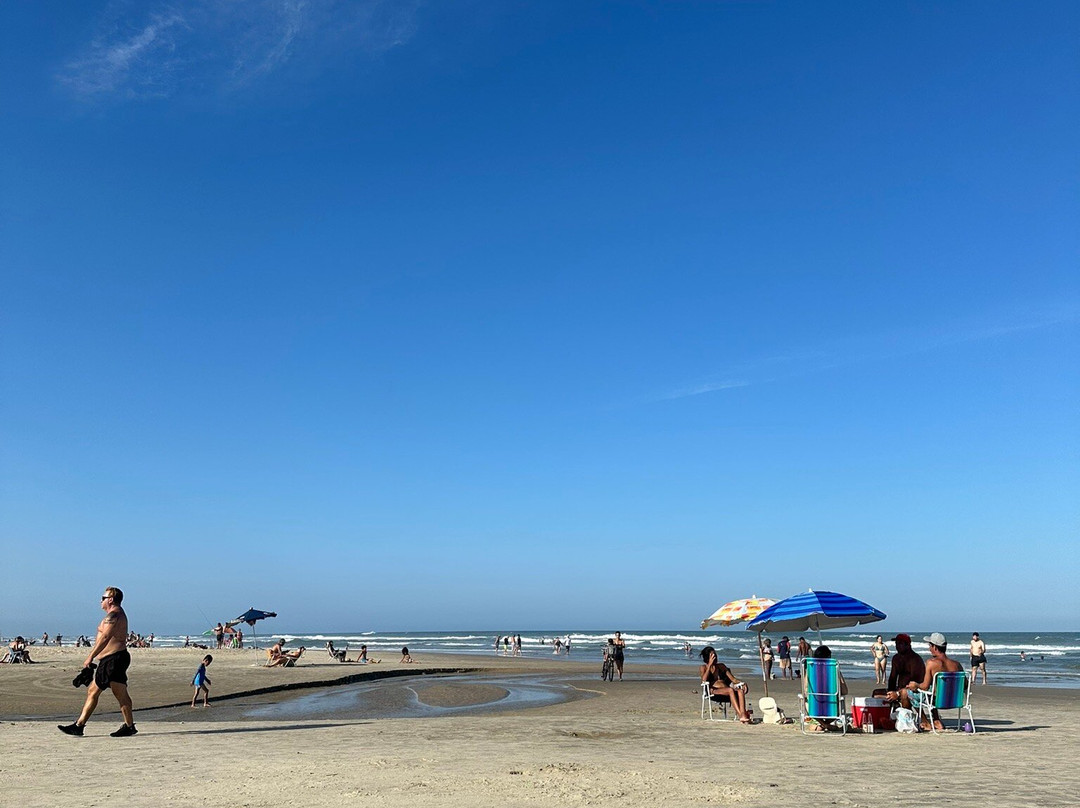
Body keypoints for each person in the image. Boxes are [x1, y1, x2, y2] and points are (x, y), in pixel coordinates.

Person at [58, 586, 137, 737]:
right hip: (115, 658)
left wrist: (90, 657)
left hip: (113, 659)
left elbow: (105, 637)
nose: (100, 601)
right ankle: (129, 726)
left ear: (111, 599)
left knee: (95, 691)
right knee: (118, 693)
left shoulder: (113, 615)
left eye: (103, 598)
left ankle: (79, 725)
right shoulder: (116, 614)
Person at [885, 632, 962, 731]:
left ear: (934, 647)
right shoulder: (957, 665)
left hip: (936, 700)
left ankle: (925, 722)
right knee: (926, 691)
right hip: (954, 701)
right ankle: (936, 721)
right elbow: (965, 685)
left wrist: (916, 685)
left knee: (908, 692)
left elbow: (924, 687)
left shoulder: (931, 663)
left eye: (930, 645)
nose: (929, 648)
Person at [699, 645, 752, 724]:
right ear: (707, 657)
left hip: (727, 691)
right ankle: (741, 715)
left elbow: (733, 679)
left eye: (715, 655)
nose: (715, 657)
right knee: (730, 690)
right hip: (713, 692)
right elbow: (704, 680)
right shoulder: (704, 667)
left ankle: (743, 715)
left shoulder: (721, 666)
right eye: (713, 656)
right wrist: (710, 665)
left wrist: (743, 683)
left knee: (740, 690)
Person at [804, 645, 847, 731]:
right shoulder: (834, 669)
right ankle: (827, 725)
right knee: (840, 700)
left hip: (814, 708)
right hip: (832, 708)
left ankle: (822, 724)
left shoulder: (810, 670)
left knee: (806, 700)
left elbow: (805, 690)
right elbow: (845, 691)